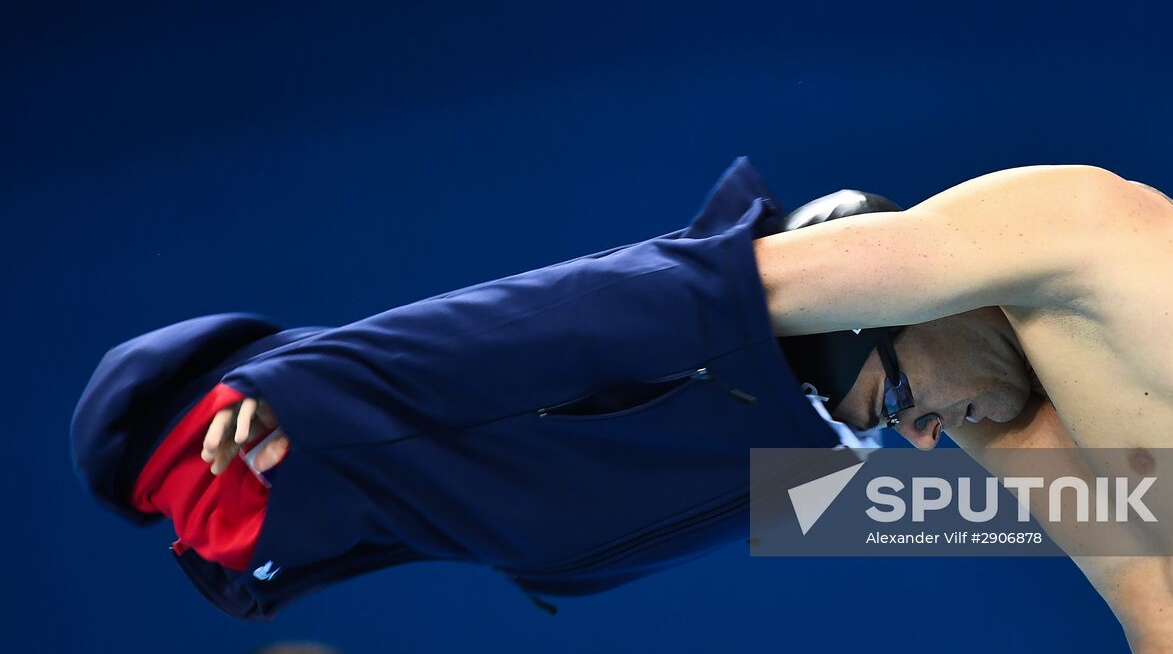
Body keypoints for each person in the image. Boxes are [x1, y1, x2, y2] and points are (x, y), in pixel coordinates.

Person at [70, 157, 868, 620]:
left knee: (946, 480)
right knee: (941, 486)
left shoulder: (334, 396)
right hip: (725, 437)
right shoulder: (335, 406)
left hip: (744, 395)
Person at [755, 165, 1173, 652]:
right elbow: (1153, 606)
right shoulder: (1004, 399)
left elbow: (746, 287)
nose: (922, 439)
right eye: (894, 424)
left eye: (896, 401)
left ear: (901, 301)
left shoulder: (1092, 229)